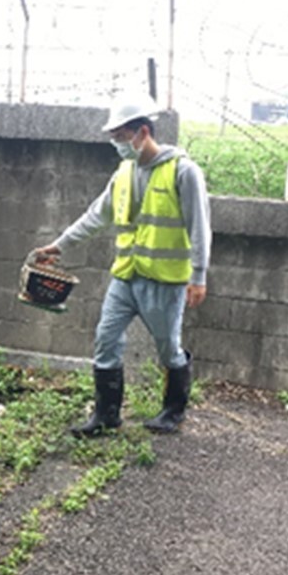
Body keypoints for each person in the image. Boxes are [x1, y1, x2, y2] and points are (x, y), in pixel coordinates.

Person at [35, 93, 211, 435]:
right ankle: (106, 414)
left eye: (120, 137)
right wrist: (58, 246)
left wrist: (198, 276)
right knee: (106, 337)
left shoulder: (183, 172)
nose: (118, 144)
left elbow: (199, 226)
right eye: (114, 138)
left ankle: (173, 411)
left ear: (142, 131)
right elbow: (94, 217)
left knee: (168, 347)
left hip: (164, 281)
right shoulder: (124, 173)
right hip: (126, 277)